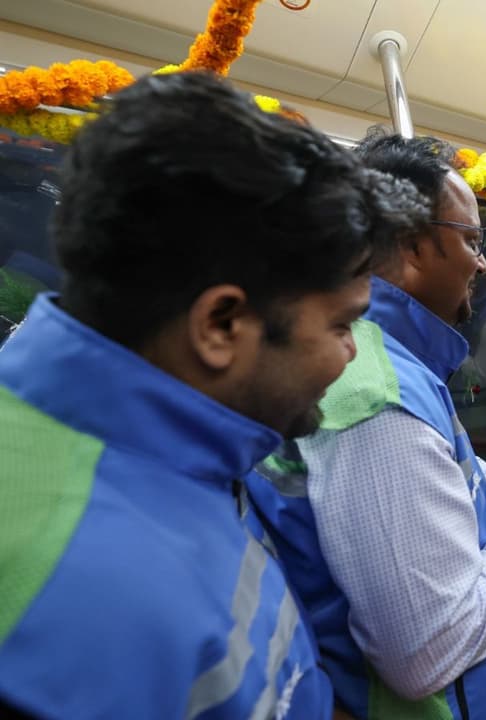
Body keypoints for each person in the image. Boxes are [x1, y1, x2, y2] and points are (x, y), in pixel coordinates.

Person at [0, 72, 427, 717]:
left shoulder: (183, 455)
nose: (352, 353)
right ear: (221, 325)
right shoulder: (84, 598)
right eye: (342, 325)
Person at [248, 133, 486, 720]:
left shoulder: (390, 358)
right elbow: (427, 653)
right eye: (473, 240)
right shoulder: (378, 396)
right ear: (411, 247)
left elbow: (445, 466)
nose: (484, 261)